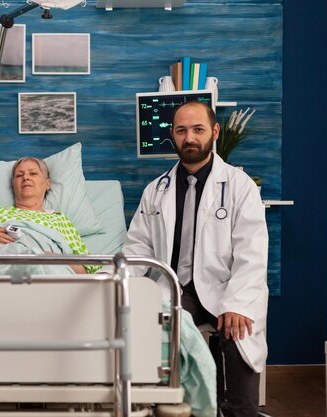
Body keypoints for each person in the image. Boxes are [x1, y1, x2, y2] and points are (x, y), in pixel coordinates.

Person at [120, 101, 268, 417]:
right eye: (182, 130)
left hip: (226, 287)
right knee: (152, 326)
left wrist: (238, 303)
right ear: (172, 135)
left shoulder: (240, 186)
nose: (190, 138)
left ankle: (243, 411)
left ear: (214, 132)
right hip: (174, 289)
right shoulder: (155, 190)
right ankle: (198, 409)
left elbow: (252, 252)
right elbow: (137, 249)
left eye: (198, 129)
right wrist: (125, 290)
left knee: (238, 333)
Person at [0, 156, 100, 274]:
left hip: (44, 267)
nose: (26, 178)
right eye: (19, 175)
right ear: (13, 185)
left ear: (47, 184)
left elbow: (85, 269)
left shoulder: (60, 220)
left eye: (33, 173)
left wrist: (49, 257)